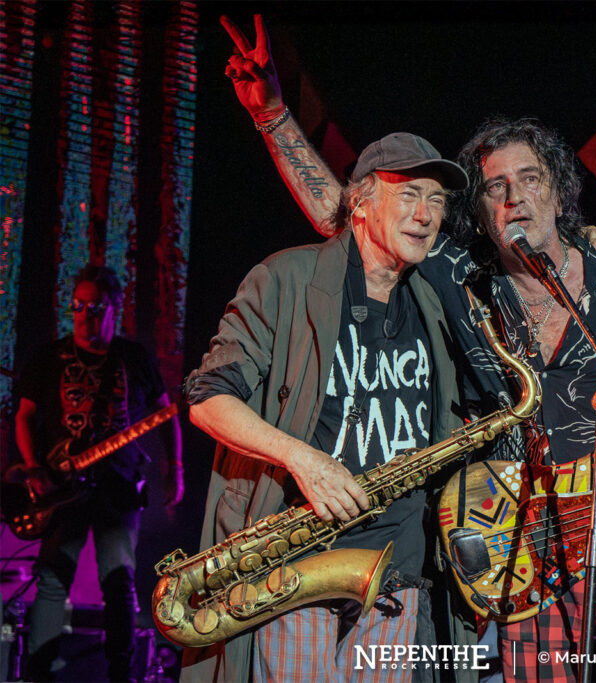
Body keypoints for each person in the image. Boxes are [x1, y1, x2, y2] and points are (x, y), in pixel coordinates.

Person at [219, 16, 596, 681]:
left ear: (559, 191)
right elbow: (345, 215)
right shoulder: (465, 281)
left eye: (529, 178)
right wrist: (271, 115)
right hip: (527, 571)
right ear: (483, 211)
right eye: (495, 186)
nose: (514, 196)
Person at [180, 130, 470, 682]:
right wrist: (302, 459)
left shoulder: (437, 299)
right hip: (298, 566)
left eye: (436, 200)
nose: (426, 214)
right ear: (360, 202)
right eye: (409, 194)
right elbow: (207, 399)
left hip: (397, 573)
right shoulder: (285, 277)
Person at [14, 264, 183, 682]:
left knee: (119, 581)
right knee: (52, 581)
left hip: (119, 485)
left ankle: (120, 675)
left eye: (95, 308)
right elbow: (24, 417)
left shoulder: (133, 358)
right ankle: (38, 675)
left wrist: (174, 468)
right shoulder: (50, 357)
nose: (85, 316)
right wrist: (33, 468)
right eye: (78, 306)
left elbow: (167, 416)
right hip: (61, 487)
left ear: (114, 308)